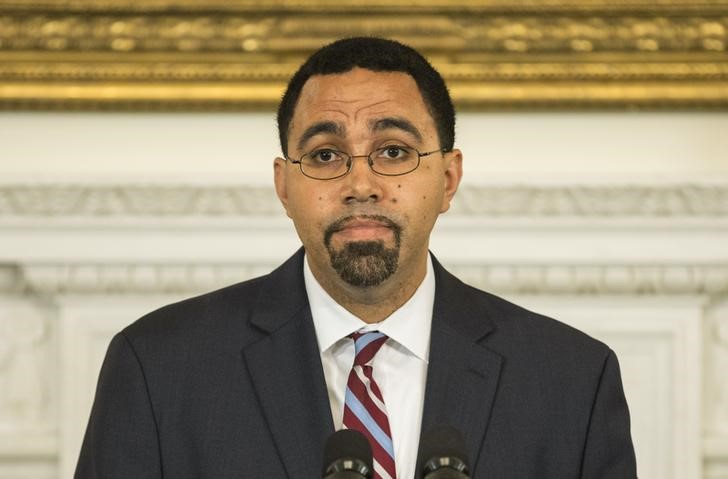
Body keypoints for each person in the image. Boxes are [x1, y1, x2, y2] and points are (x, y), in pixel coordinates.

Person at [75, 37, 637, 479]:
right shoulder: (158, 368)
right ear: (284, 186)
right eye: (325, 155)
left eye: (393, 151)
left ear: (447, 179)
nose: (360, 183)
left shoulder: (571, 381)